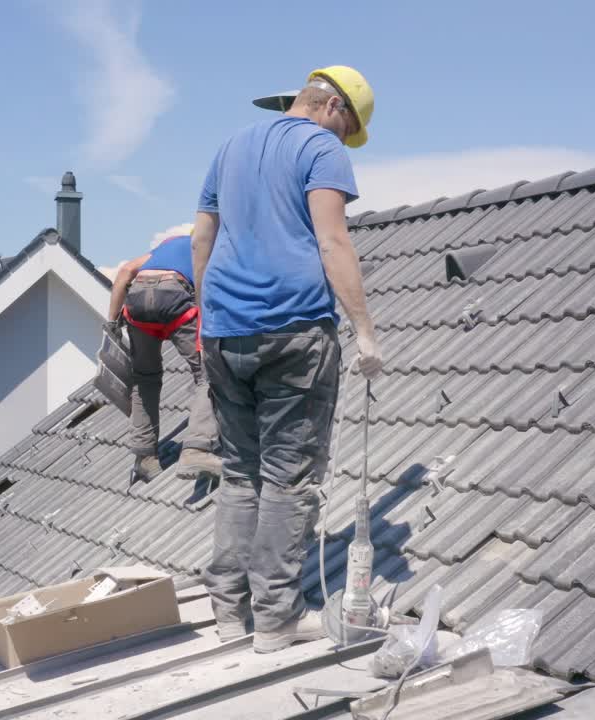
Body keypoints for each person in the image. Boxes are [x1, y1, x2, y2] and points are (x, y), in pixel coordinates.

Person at [191, 65, 384, 653]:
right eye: (348, 129)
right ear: (335, 110)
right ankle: (275, 620)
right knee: (287, 477)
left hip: (224, 333)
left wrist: (209, 317)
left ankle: (229, 613)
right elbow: (332, 240)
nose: (344, 140)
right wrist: (366, 333)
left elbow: (202, 238)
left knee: (241, 471)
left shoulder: (230, 146)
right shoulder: (320, 147)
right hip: (292, 331)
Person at [107, 234, 222, 481]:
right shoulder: (203, 247)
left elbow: (126, 271)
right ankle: (197, 448)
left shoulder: (156, 254)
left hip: (137, 302)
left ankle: (144, 458)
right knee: (208, 373)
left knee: (144, 379)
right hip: (174, 296)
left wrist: (111, 323)